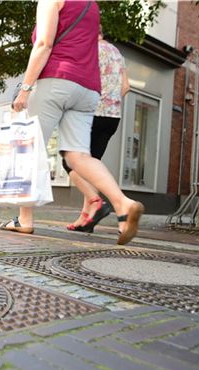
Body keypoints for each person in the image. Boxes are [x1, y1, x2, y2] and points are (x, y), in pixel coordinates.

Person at [1, 0, 144, 246]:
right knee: (78, 156)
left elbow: (44, 44)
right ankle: (123, 203)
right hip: (88, 89)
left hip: (56, 80)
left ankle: (25, 220)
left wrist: (24, 89)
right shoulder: (92, 5)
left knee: (30, 148)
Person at [65, 25, 131, 233]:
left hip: (90, 114)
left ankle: (108, 202)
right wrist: (109, 101)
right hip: (112, 117)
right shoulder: (116, 53)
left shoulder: (88, 49)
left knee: (70, 162)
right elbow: (126, 87)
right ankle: (87, 218)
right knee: (90, 169)